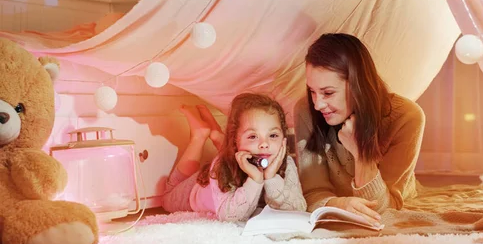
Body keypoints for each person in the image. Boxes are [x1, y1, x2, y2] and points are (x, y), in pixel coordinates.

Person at [293, 33, 426, 226]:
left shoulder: (407, 116)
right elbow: (312, 192)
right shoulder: (305, 111)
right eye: (312, 91)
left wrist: (361, 154)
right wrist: (340, 204)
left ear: (358, 85)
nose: (317, 105)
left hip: (395, 200)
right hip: (341, 203)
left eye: (328, 93)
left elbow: (384, 209)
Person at [162, 93, 307, 221]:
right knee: (167, 197)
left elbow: (299, 208)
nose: (265, 144)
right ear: (235, 140)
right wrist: (255, 180)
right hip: (199, 187)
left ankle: (218, 136)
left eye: (273, 135)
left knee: (239, 152)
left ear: (283, 139)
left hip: (233, 158)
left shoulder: (285, 162)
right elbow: (230, 216)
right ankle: (199, 136)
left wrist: (271, 179)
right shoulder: (221, 165)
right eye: (253, 136)